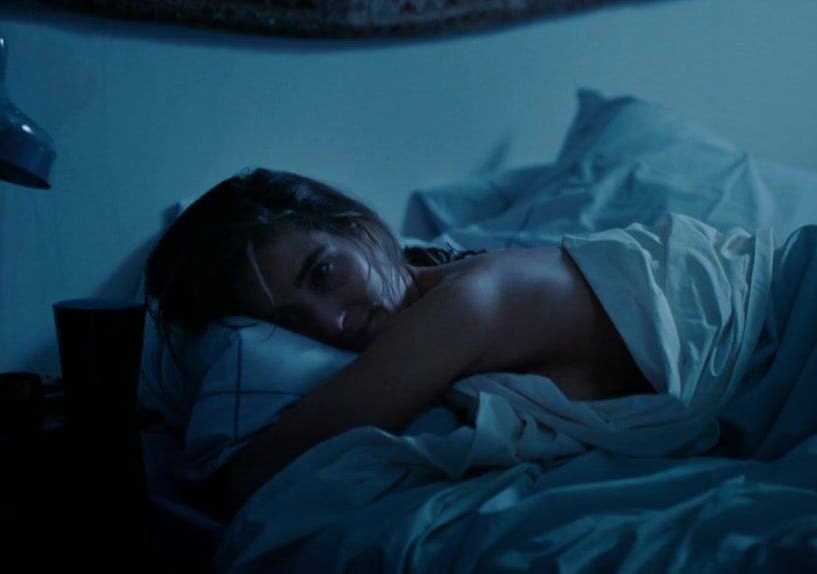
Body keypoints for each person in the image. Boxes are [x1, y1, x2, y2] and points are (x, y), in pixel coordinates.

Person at [144, 168, 653, 511]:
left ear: (361, 229)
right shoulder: (442, 285)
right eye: (293, 321)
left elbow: (246, 480)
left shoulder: (466, 303)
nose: (333, 323)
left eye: (324, 273)